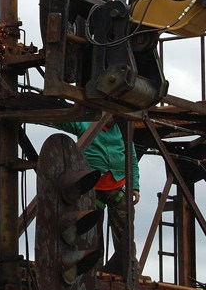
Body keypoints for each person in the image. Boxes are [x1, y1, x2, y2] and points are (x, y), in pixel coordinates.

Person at [53, 118, 141, 276]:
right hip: (93, 189)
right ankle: (94, 268)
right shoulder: (85, 124)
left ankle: (129, 269)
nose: (112, 118)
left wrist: (135, 186)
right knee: (92, 233)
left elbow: (132, 158)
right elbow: (64, 121)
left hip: (117, 186)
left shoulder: (122, 130)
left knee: (125, 231)